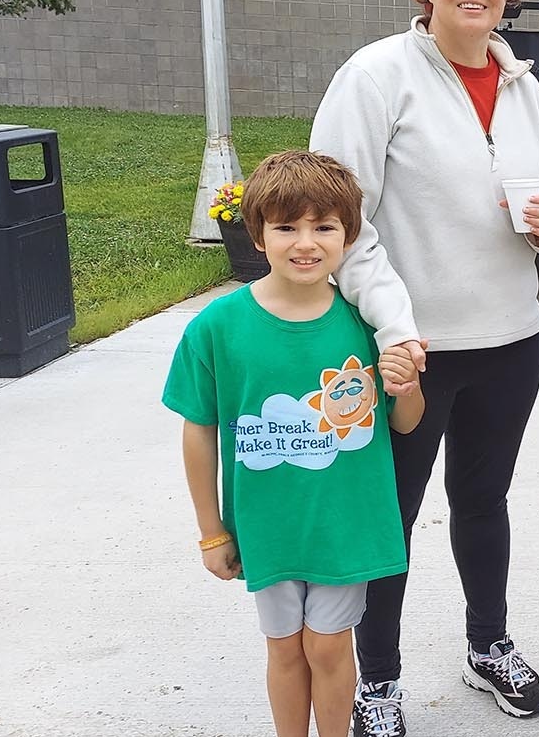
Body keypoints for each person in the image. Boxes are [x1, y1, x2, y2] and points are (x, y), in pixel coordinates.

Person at [310, 0, 539, 733]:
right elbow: (337, 221)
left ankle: (487, 646)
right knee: (392, 515)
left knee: (483, 501)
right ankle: (377, 683)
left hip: (510, 341)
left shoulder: (524, 86)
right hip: (410, 352)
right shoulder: (377, 75)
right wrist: (392, 325)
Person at [164, 151, 426, 737]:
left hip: (345, 524)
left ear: (348, 235)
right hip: (268, 525)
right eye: (287, 226)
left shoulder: (367, 323)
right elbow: (198, 430)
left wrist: (404, 385)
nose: (305, 243)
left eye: (323, 226)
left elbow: (406, 422)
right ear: (257, 234)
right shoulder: (217, 328)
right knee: (284, 651)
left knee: (329, 648)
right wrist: (211, 530)